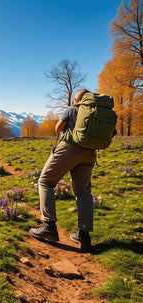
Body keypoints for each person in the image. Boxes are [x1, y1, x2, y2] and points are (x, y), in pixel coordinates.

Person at [30, 89, 96, 253]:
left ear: (76, 99)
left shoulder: (72, 109)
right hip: (90, 153)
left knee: (45, 182)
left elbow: (58, 128)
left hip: (69, 149)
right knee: (83, 193)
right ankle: (84, 236)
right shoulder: (96, 113)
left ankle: (49, 226)